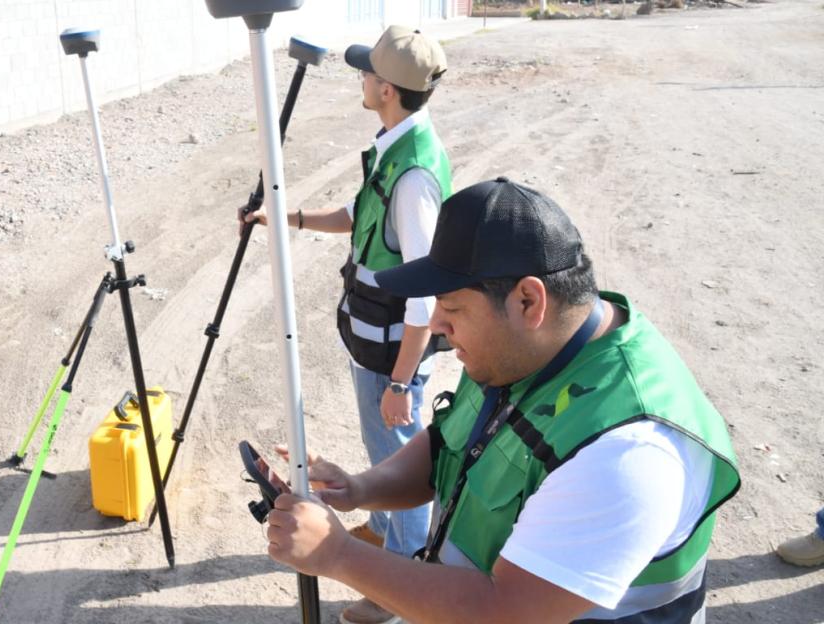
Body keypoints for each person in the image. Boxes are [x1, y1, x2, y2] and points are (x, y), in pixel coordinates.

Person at [262, 178, 742, 623]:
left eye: (451, 307)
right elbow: (451, 444)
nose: (436, 325)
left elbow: (504, 611)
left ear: (528, 301)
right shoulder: (526, 349)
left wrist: (339, 554)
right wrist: (360, 488)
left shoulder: (627, 454)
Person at [245, 25, 451, 624]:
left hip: (394, 356)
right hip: (377, 346)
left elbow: (425, 296)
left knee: (398, 461)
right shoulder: (395, 145)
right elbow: (359, 216)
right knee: (382, 455)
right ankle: (384, 532)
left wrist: (400, 383)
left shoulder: (414, 178)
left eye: (367, 72)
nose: (360, 77)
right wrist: (290, 217)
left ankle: (398, 585)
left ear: (386, 89)